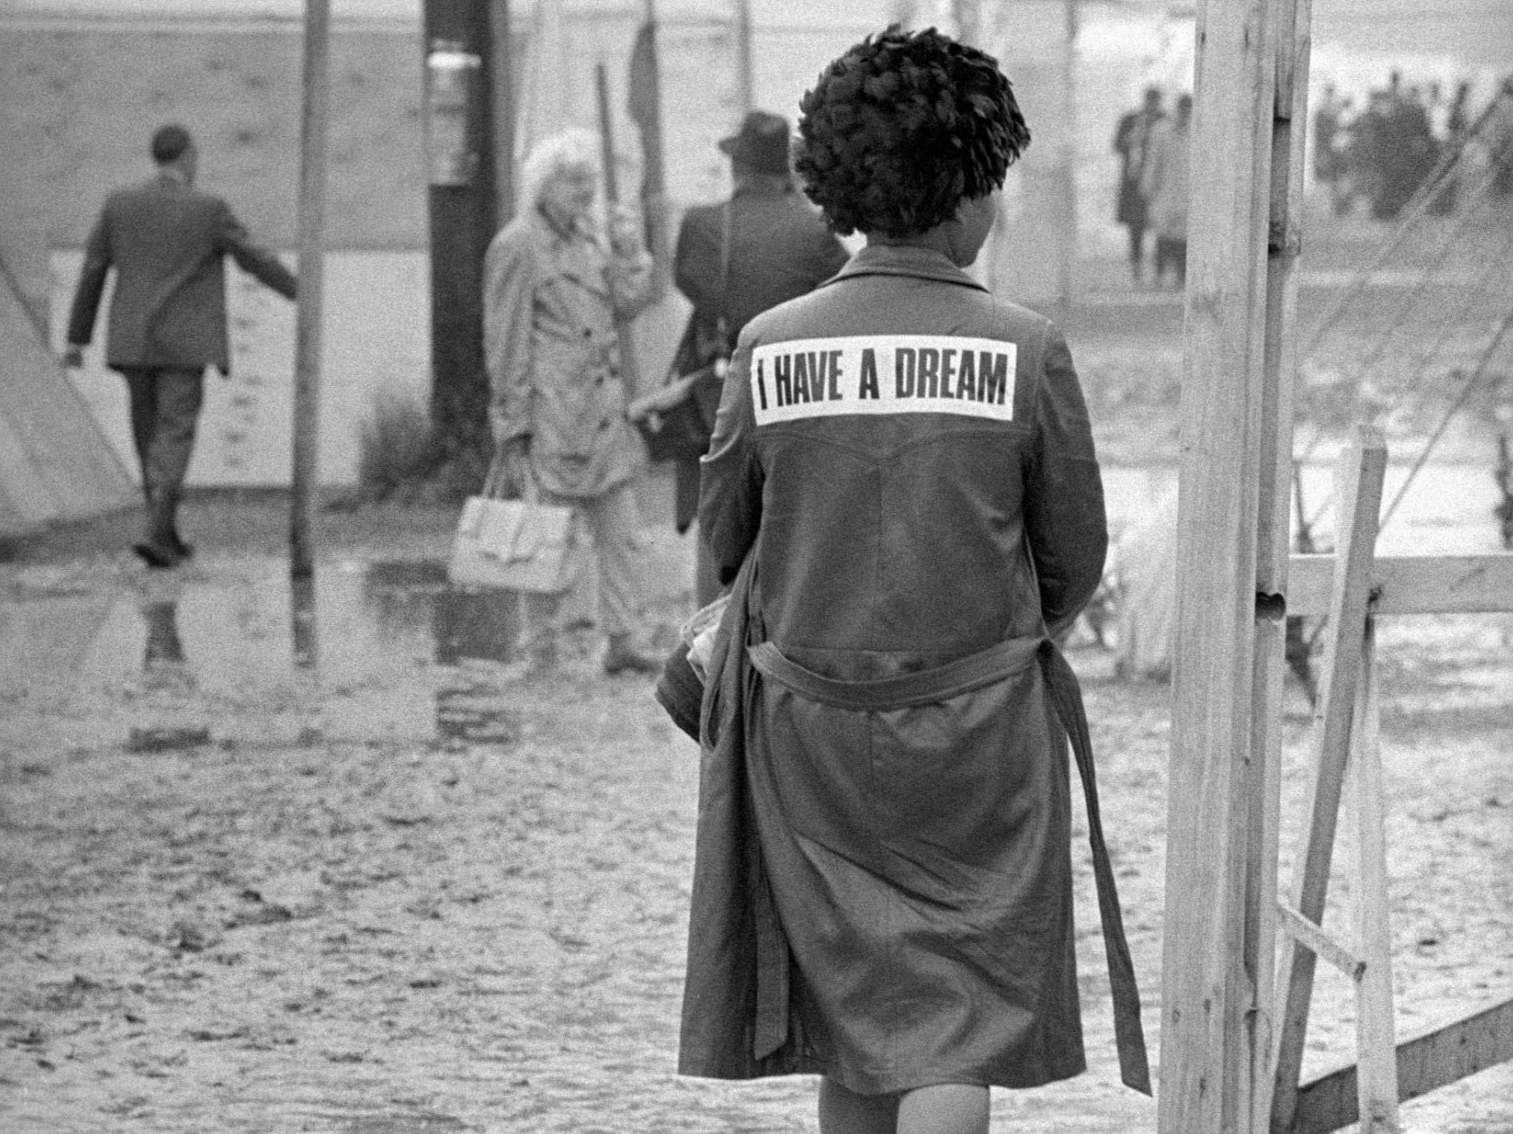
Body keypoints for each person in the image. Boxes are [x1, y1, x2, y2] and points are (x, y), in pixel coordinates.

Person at [680, 26, 1149, 1134]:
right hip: (978, 739)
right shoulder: (1025, 348)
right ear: (965, 196)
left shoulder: (766, 348)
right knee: (958, 1021)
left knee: (852, 1018)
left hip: (808, 736)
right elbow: (1073, 556)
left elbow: (724, 540)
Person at [62, 123, 297, 568]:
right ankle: (156, 531)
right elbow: (253, 257)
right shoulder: (207, 209)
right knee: (173, 434)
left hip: (132, 342)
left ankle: (164, 535)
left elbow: (92, 271)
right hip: (185, 344)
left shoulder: (119, 205)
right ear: (189, 157)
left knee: (148, 437)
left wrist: (77, 339)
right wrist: (298, 290)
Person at [482, 129, 661, 676]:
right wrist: (511, 423)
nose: (586, 191)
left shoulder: (591, 239)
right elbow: (504, 339)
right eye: (573, 180)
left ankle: (623, 638)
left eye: (590, 180)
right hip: (552, 411)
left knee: (622, 533)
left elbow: (629, 305)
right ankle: (539, 644)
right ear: (544, 184)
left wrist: (631, 250)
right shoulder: (516, 246)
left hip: (603, 408)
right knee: (546, 537)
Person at [657, 109, 847, 607]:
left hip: (719, 393)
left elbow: (690, 284)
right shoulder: (817, 232)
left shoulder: (702, 225)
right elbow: (840, 296)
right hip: (799, 394)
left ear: (737, 166)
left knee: (714, 522)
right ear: (788, 171)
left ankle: (712, 646)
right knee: (791, 521)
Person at [1111, 85, 1163, 286]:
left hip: (1158, 183)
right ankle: (1137, 268)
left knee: (1161, 226)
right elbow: (1116, 145)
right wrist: (1132, 138)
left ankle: (1160, 270)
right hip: (1133, 182)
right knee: (1135, 227)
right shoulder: (1130, 120)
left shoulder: (1164, 121)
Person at [1140, 92, 1192, 289]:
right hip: (1165, 189)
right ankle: (1159, 275)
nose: (1184, 113)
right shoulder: (1161, 130)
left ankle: (1182, 276)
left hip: (1188, 191)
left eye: (1188, 110)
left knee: (1184, 236)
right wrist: (1148, 187)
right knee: (1163, 233)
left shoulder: (1197, 129)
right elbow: (1153, 160)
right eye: (1182, 109)